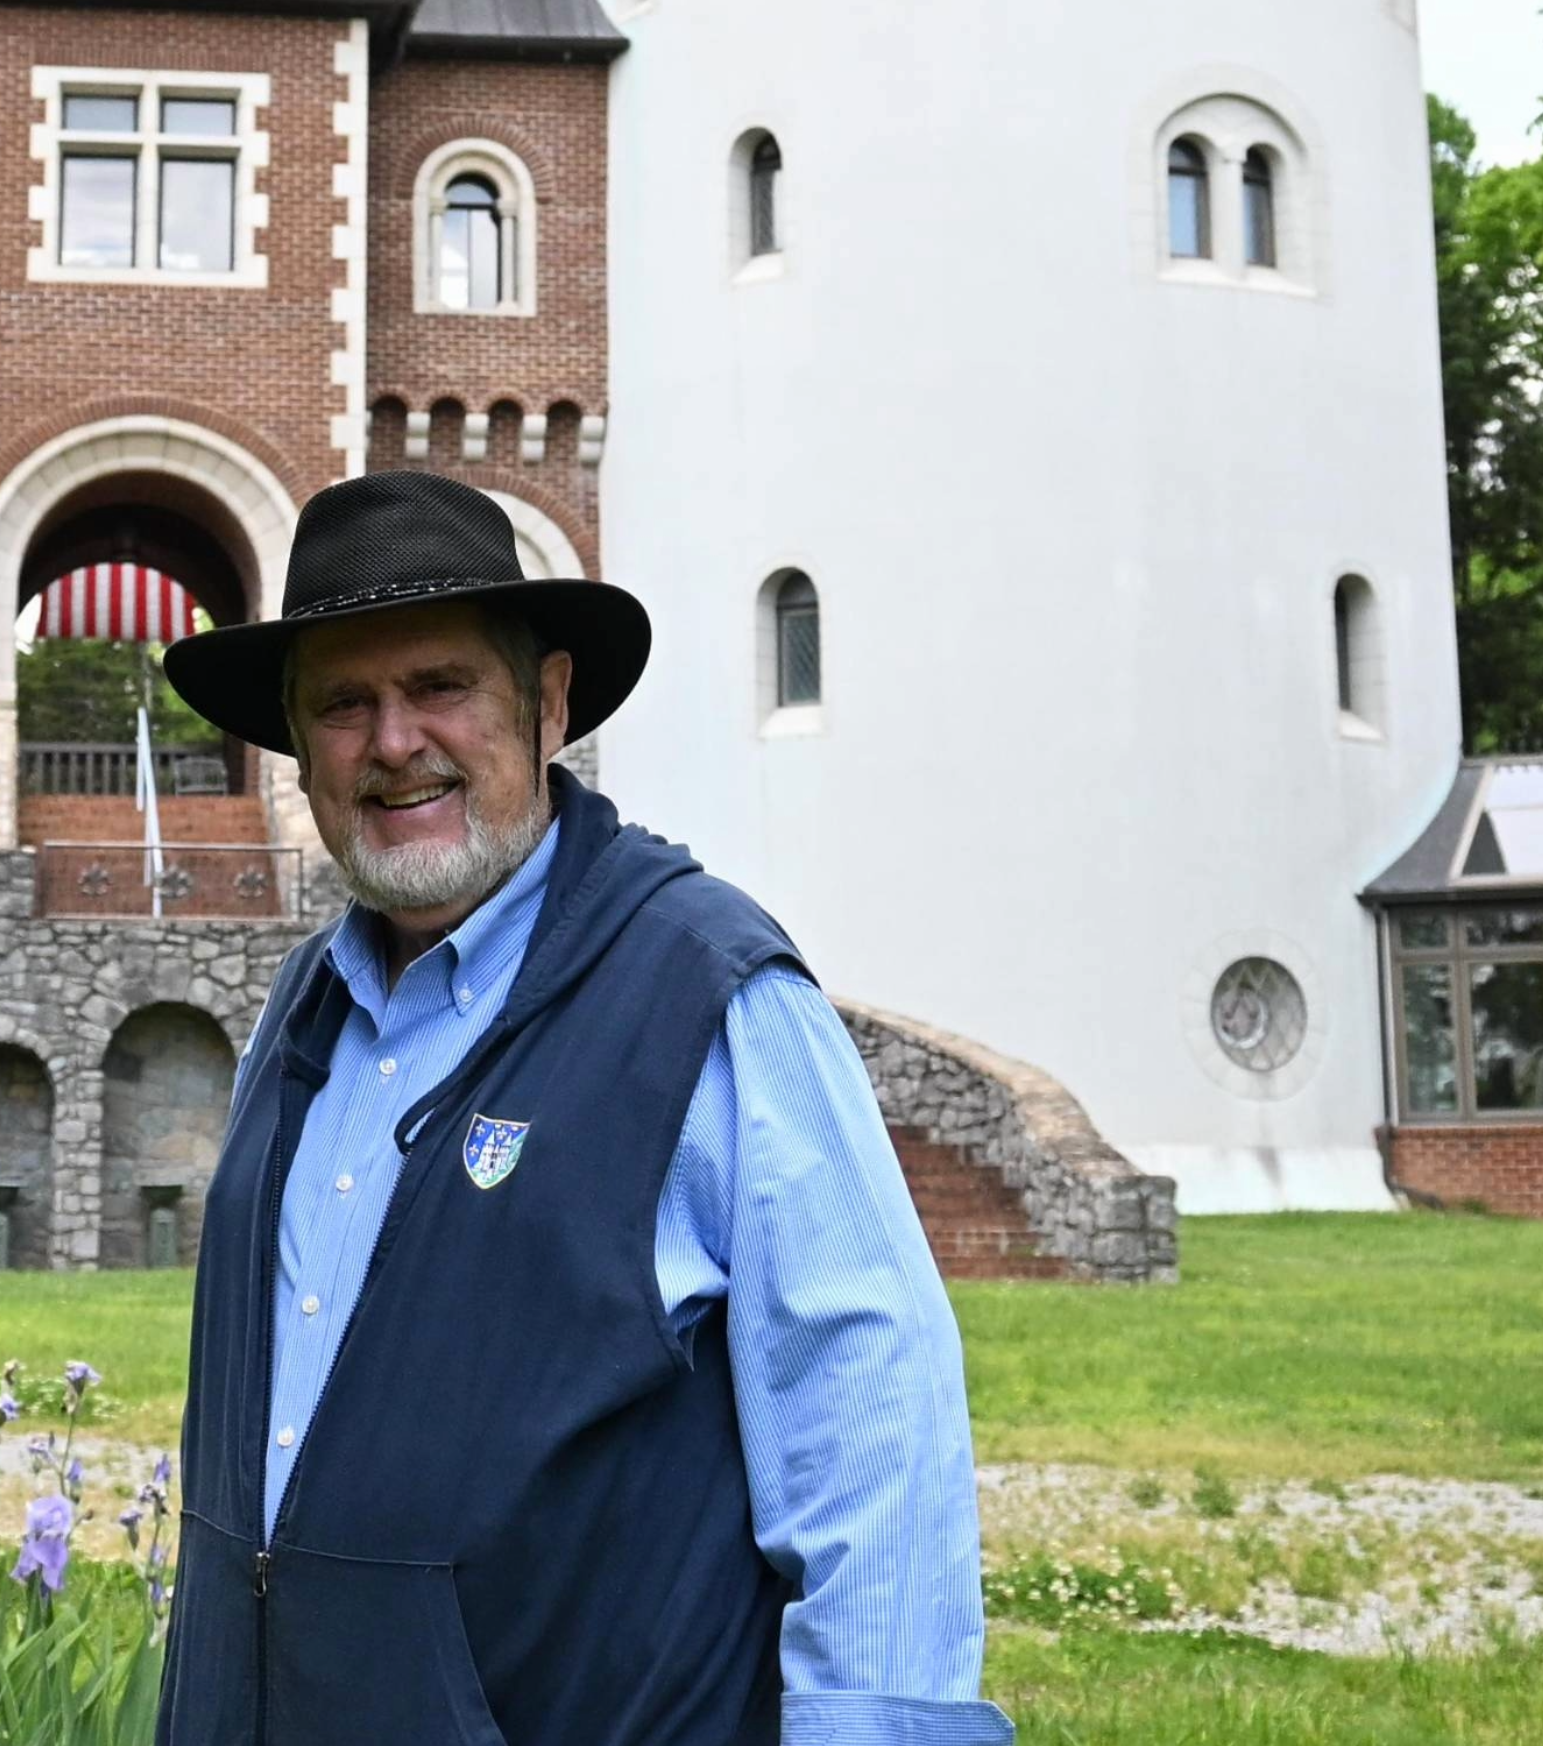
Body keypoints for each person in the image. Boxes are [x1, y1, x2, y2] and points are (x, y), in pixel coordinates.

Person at [149, 470, 1012, 1745]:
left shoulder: (703, 993)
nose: (395, 744)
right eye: (344, 704)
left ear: (546, 703)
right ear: (295, 743)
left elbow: (870, 1434)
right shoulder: (302, 1011)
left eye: (441, 686)